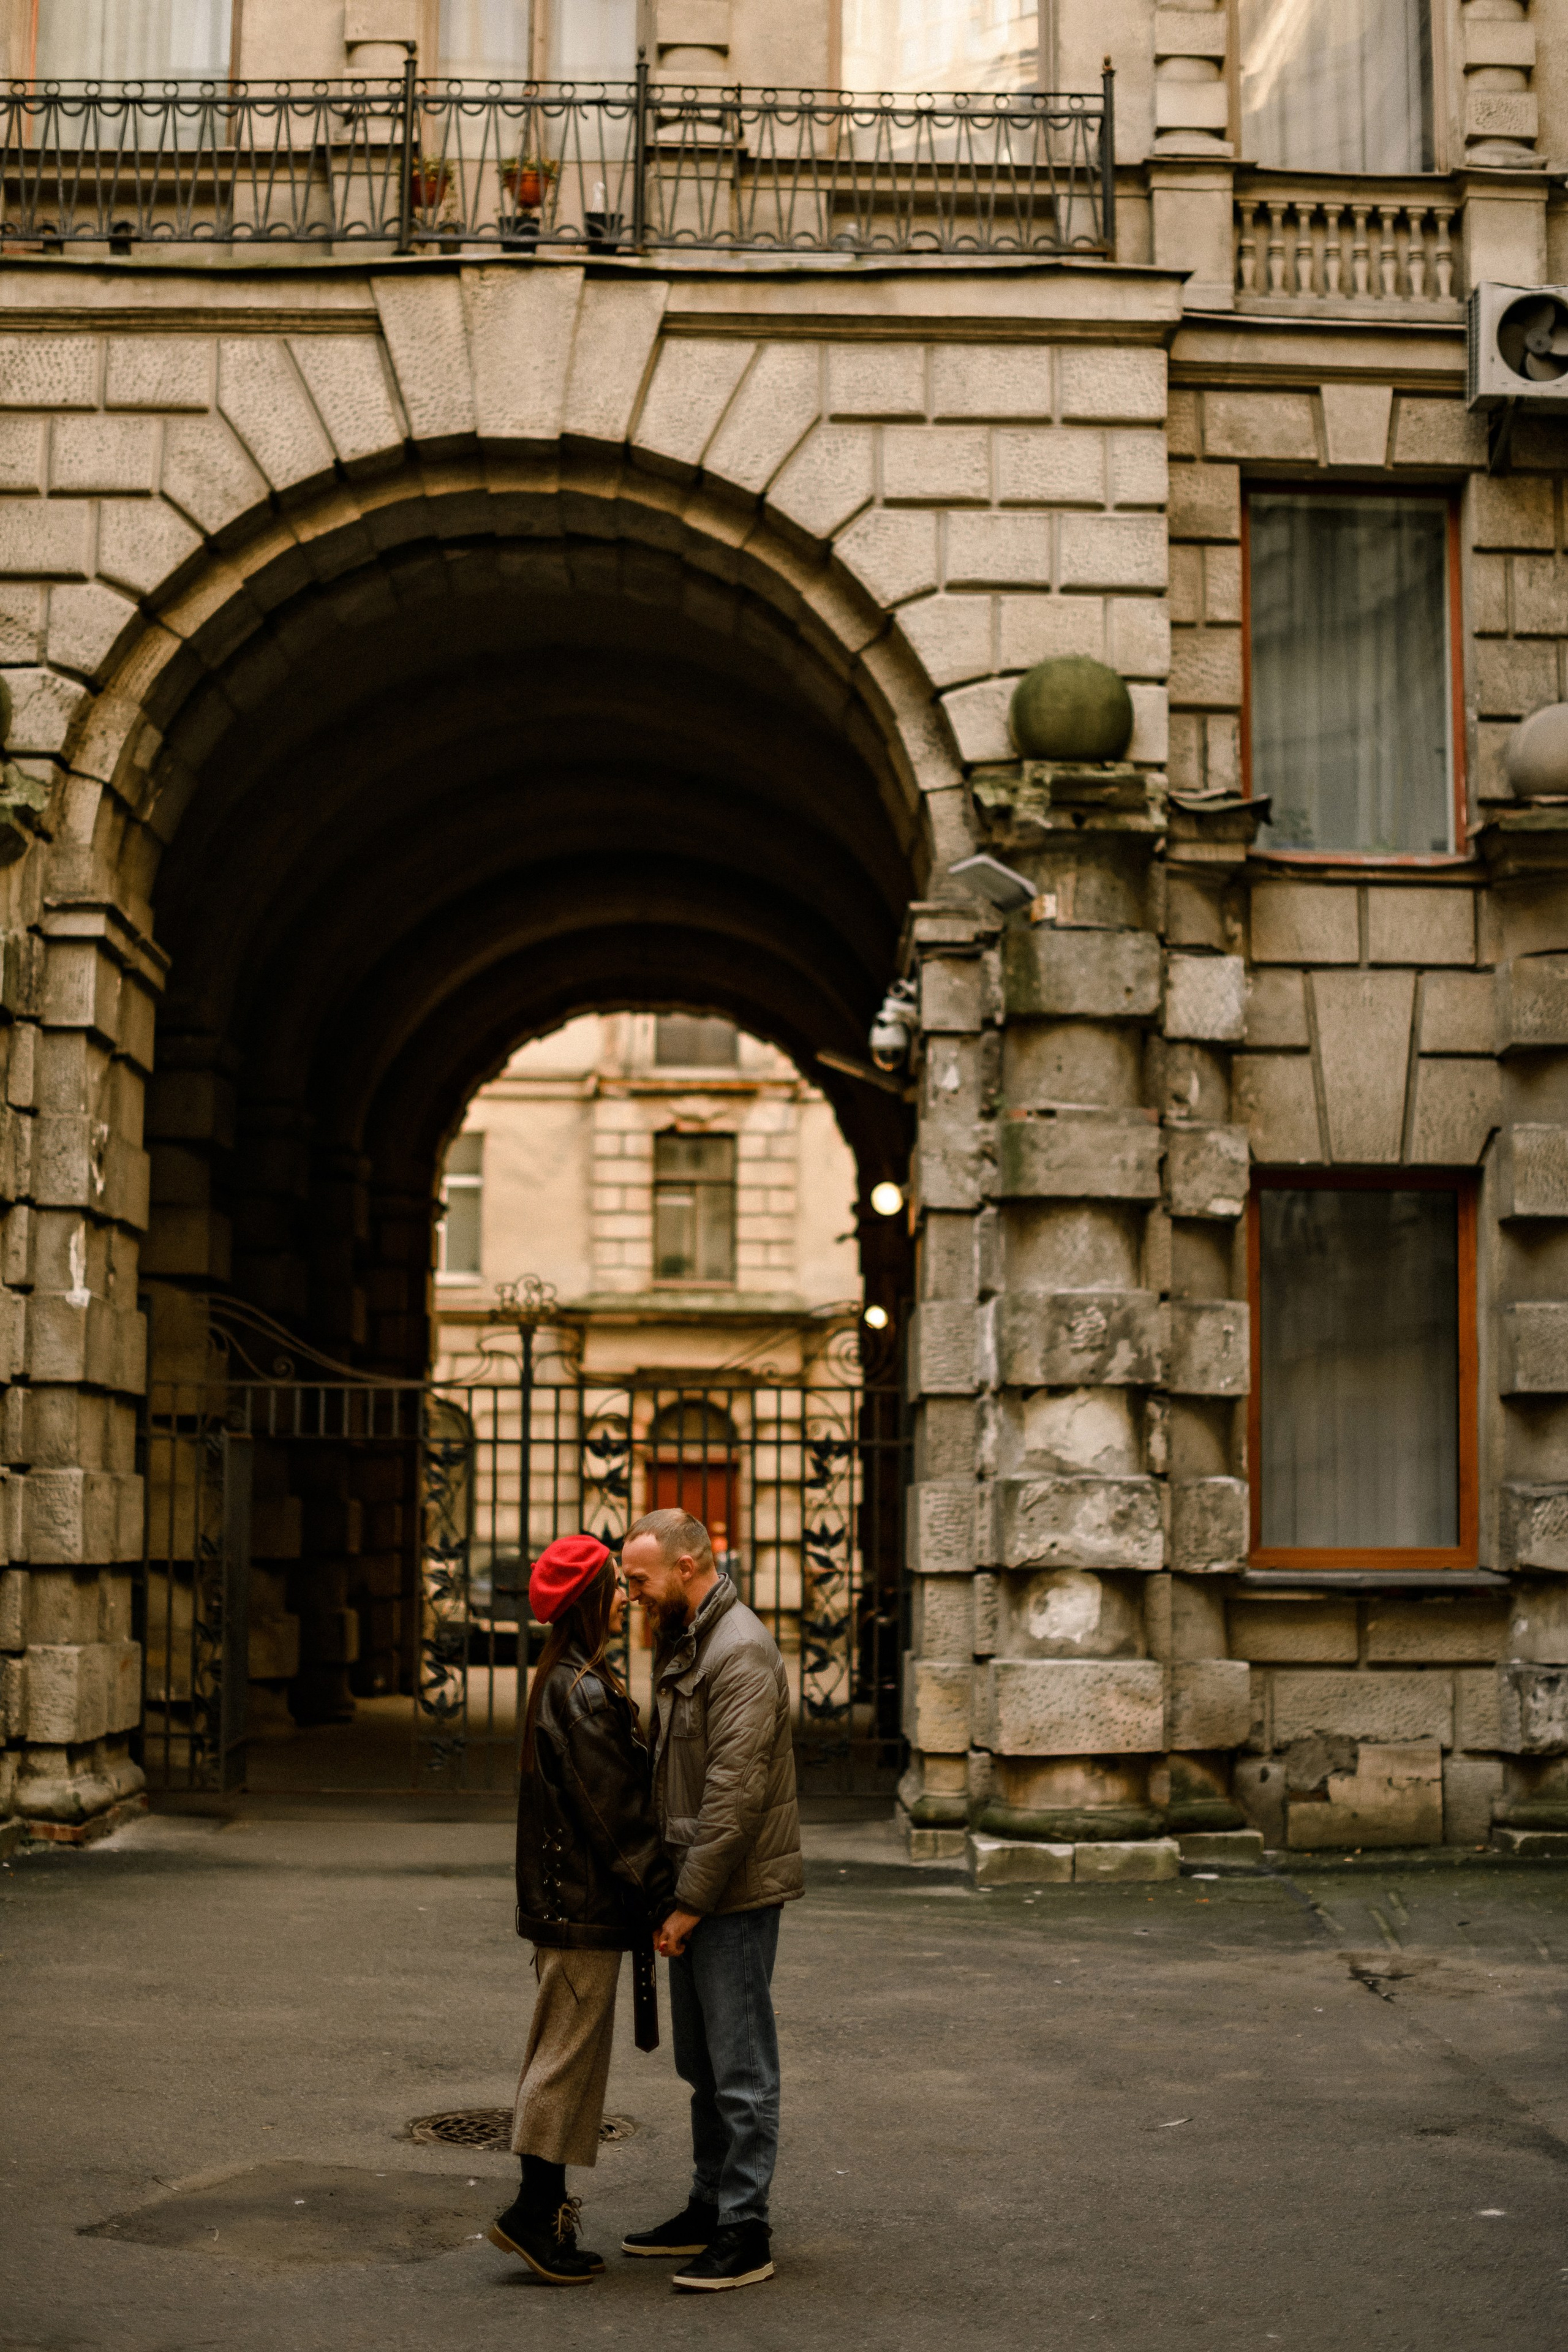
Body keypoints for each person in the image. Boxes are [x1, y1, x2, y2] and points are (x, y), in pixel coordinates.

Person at [619, 1507, 803, 2293]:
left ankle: (745, 2228)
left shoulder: (740, 1653)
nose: (630, 1594)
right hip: (695, 1887)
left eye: (638, 1579)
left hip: (729, 1891)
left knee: (740, 2068)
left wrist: (688, 1902)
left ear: (686, 1569)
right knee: (701, 2064)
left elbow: (733, 1796)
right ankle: (707, 2205)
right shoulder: (688, 1640)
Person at [488, 1534, 675, 2285]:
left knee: (560, 2055)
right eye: (614, 1587)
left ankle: (542, 2207)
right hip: (585, 1909)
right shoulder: (584, 1690)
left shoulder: (562, 1680)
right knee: (563, 2061)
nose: (626, 1598)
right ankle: (533, 2212)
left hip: (568, 1905)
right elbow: (616, 1819)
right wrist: (665, 1897)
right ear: (591, 1601)